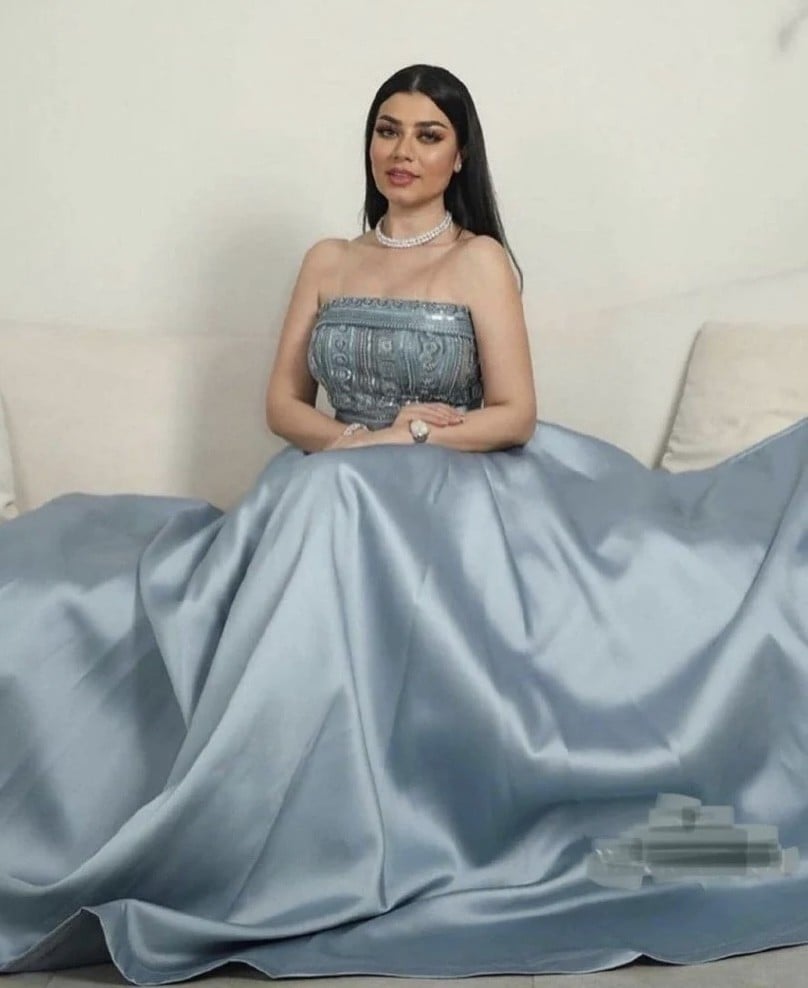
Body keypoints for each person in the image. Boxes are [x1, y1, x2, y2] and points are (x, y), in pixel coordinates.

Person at [1, 64, 808, 985]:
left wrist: (412, 436)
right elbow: (283, 405)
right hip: (333, 475)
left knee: (339, 499)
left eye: (428, 135)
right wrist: (357, 440)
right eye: (388, 129)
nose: (403, 151)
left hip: (445, 486)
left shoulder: (479, 261)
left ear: (459, 155)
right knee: (324, 497)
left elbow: (514, 414)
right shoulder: (327, 260)